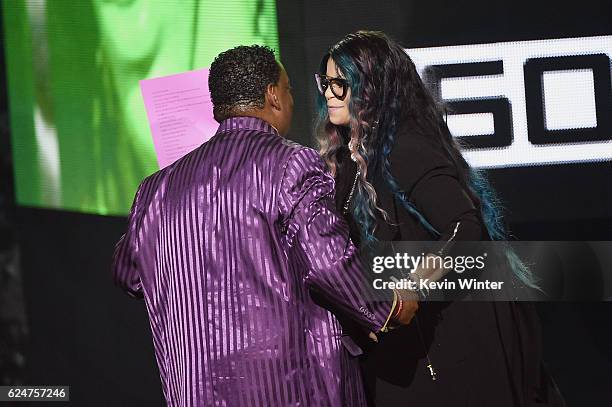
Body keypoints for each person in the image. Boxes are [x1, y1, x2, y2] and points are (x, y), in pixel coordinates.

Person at [112, 45, 417, 407]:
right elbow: (328, 263)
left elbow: (128, 273)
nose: (291, 99)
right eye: (288, 89)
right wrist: (391, 305)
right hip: (291, 392)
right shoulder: (290, 165)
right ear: (273, 95)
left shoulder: (155, 190)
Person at [315, 31, 565, 406]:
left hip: (451, 338)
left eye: (341, 83)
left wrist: (412, 286)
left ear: (373, 86)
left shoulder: (403, 145)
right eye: (327, 82)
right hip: (402, 340)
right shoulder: (347, 159)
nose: (330, 93)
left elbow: (465, 227)